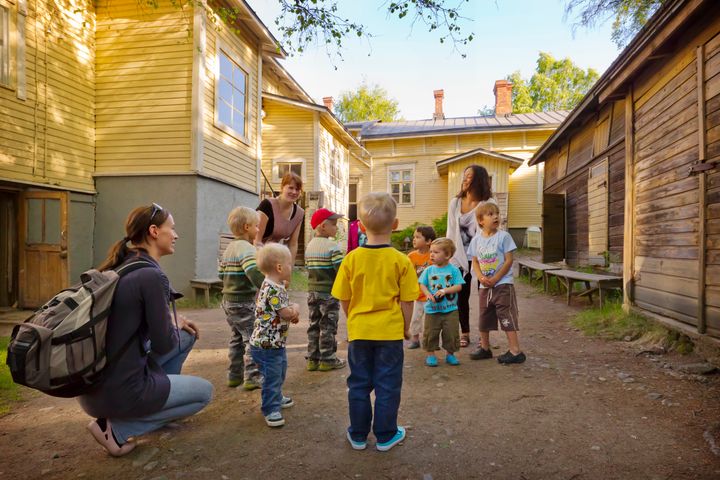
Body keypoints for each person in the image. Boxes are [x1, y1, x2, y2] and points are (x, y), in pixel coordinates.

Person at [80, 203, 213, 457]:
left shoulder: (121, 265)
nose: (176, 235)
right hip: (121, 392)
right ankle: (116, 430)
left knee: (186, 335)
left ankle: (156, 409)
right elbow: (164, 344)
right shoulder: (152, 277)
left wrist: (172, 324)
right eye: (171, 229)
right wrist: (169, 321)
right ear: (154, 231)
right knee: (204, 393)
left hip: (94, 388)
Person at [332, 192, 419, 452]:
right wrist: (405, 327)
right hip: (389, 334)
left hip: (360, 333)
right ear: (395, 224)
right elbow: (407, 301)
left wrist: (354, 321)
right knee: (388, 385)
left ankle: (358, 435)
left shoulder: (351, 259)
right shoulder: (401, 261)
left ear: (359, 225)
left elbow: (344, 299)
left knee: (358, 384)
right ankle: (385, 435)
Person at [250, 243, 301, 427]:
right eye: (289, 264)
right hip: (266, 346)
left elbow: (278, 312)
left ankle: (277, 397)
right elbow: (286, 313)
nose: (291, 267)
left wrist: (289, 314)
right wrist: (295, 308)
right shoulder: (273, 289)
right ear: (279, 267)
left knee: (279, 371)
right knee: (272, 376)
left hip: (274, 343)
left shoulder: (274, 284)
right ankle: (271, 408)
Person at [468, 202, 526, 364]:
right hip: (484, 286)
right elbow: (475, 261)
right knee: (484, 315)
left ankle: (515, 351)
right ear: (480, 220)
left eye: (497, 213)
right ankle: (485, 348)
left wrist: (496, 278)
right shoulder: (476, 240)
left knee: (506, 314)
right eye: (490, 214)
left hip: (503, 284)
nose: (495, 216)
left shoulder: (504, 236)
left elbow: (509, 260)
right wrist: (480, 277)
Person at [446, 164, 496, 348]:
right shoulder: (455, 203)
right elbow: (451, 231)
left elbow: (493, 231)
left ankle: (485, 339)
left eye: (469, 177)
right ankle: (465, 333)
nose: (465, 180)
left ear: (479, 180)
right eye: (464, 176)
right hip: (460, 257)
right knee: (461, 297)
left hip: (482, 258)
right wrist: (449, 256)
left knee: (485, 296)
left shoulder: (488, 202)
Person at [219, 206, 265, 390]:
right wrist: (266, 285)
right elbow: (252, 271)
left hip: (228, 301)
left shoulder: (229, 248)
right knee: (253, 338)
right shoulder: (246, 249)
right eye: (256, 226)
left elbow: (221, 273)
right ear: (247, 227)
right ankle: (252, 377)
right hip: (243, 302)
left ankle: (234, 375)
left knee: (237, 337)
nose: (258, 230)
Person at [304, 208, 346, 371]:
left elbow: (309, 268)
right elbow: (340, 270)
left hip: (312, 292)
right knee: (327, 325)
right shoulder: (332, 246)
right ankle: (327, 358)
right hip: (328, 292)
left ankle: (313, 358)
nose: (337, 228)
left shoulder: (309, 246)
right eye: (334, 224)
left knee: (314, 324)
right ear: (322, 226)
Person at [418, 238, 464, 367]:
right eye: (431, 251)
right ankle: (431, 355)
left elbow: (459, 286)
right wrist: (427, 294)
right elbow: (422, 284)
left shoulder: (454, 270)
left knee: (451, 332)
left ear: (447, 255)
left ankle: (450, 354)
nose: (432, 254)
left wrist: (445, 290)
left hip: (450, 309)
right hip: (432, 309)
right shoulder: (428, 270)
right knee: (431, 332)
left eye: (436, 252)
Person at [255, 172, 305, 263]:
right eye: (290, 188)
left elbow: (293, 244)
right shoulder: (267, 205)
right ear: (282, 187)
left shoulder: (299, 213)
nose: (294, 192)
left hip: (271, 253)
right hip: (253, 251)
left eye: (297, 189)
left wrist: (289, 267)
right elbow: (256, 240)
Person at [407, 226, 436, 349]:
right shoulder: (411, 256)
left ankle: (432, 341)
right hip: (417, 295)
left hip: (431, 295)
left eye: (418, 237)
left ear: (428, 241)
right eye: (414, 237)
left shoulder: (434, 255)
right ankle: (415, 339)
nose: (414, 239)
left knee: (432, 320)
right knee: (415, 318)